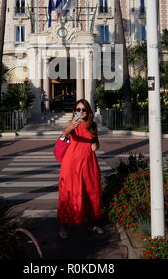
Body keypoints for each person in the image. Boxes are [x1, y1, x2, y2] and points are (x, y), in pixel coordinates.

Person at [57, 99, 104, 239]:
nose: (81, 112)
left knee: (91, 193)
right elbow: (63, 136)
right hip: (71, 164)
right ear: (74, 111)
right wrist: (72, 126)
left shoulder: (92, 125)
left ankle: (92, 224)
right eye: (78, 110)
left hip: (89, 163)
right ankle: (64, 226)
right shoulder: (71, 124)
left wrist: (96, 146)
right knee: (70, 193)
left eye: (83, 110)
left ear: (88, 111)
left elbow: (96, 142)